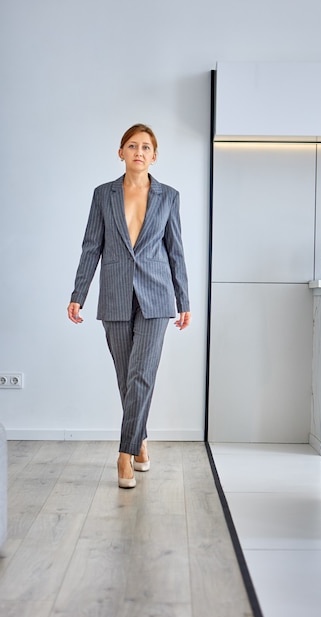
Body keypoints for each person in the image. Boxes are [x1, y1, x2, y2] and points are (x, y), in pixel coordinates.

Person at [67, 123, 190, 488]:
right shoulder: (103, 195)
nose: (139, 152)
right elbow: (92, 246)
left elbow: (176, 251)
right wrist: (78, 294)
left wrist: (184, 299)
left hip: (156, 298)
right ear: (120, 152)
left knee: (142, 375)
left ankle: (124, 454)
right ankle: (142, 441)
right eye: (132, 146)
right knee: (127, 378)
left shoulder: (169, 197)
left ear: (155, 156)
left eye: (146, 147)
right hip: (115, 297)